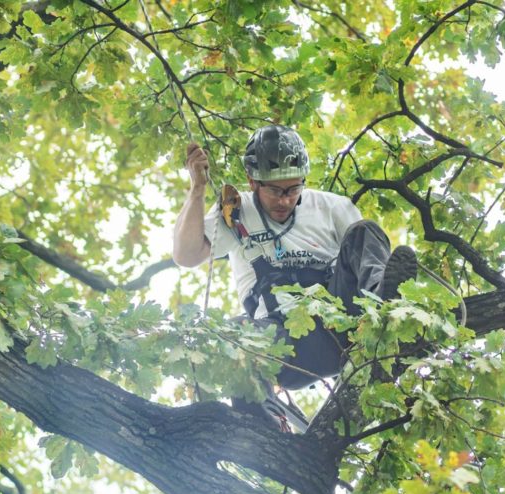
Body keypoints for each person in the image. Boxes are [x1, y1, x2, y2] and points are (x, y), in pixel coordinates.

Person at [173, 124, 418, 399]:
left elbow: (362, 252)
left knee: (364, 230)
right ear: (252, 181)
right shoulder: (237, 211)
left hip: (343, 325)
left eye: (293, 188)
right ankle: (259, 412)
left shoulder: (331, 207)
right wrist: (197, 190)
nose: (286, 200)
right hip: (283, 342)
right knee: (232, 336)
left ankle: (384, 306)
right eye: (275, 191)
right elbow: (186, 254)